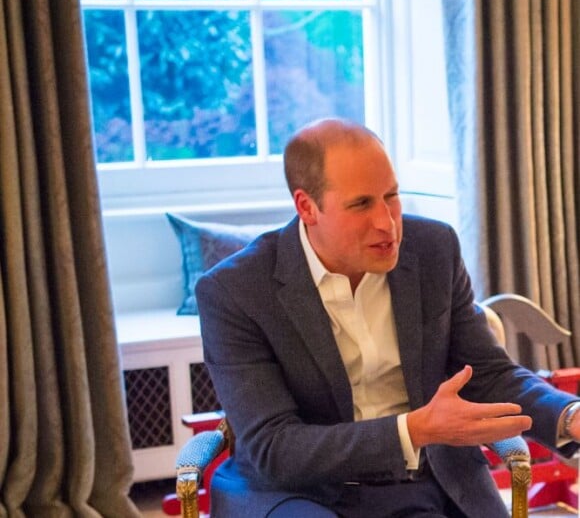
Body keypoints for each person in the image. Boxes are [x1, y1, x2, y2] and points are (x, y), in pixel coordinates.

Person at [196, 118, 580, 518]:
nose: (387, 222)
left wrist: (570, 416)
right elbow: (274, 448)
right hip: (300, 494)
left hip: (429, 480)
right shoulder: (234, 291)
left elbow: (487, 374)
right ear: (307, 207)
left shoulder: (434, 249)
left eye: (391, 196)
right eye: (361, 204)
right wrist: (415, 430)